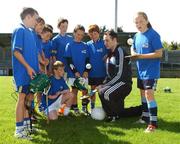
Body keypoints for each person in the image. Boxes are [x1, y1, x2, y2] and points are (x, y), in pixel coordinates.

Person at [96, 29, 142, 122]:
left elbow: (119, 74)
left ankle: (112, 116)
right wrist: (103, 84)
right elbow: (109, 74)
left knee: (105, 92)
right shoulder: (109, 54)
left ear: (114, 40)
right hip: (116, 84)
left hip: (124, 84)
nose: (105, 43)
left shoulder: (120, 51)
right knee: (120, 112)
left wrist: (105, 85)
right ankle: (142, 109)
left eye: (107, 40)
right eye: (104, 40)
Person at [130, 12, 163, 133]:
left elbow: (159, 53)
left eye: (141, 21)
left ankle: (153, 125)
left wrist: (140, 56)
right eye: (136, 22)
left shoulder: (154, 35)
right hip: (140, 71)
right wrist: (133, 52)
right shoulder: (136, 36)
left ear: (147, 21)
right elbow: (132, 47)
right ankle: (144, 117)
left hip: (151, 71)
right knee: (143, 94)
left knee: (149, 95)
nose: (138, 24)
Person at [11, 7, 39, 139]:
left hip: (31, 73)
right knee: (22, 99)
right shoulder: (20, 30)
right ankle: (19, 129)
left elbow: (33, 54)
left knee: (29, 99)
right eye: (35, 18)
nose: (36, 21)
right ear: (28, 17)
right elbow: (16, 52)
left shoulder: (30, 32)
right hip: (23, 72)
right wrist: (28, 67)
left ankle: (27, 126)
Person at [64, 24, 91, 115]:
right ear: (74, 33)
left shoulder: (85, 45)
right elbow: (69, 61)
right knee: (74, 91)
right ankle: (75, 108)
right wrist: (75, 72)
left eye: (82, 35)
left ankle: (84, 108)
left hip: (83, 74)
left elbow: (88, 60)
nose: (80, 36)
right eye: (78, 34)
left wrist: (86, 71)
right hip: (72, 74)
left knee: (84, 91)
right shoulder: (69, 45)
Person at [86, 24, 107, 110]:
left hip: (102, 72)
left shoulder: (104, 43)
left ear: (98, 33)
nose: (93, 35)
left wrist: (106, 56)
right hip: (92, 73)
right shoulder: (87, 44)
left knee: (102, 92)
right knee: (92, 91)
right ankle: (92, 108)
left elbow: (110, 52)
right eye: (91, 34)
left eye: (95, 33)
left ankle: (105, 108)